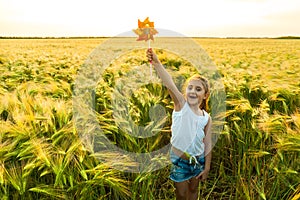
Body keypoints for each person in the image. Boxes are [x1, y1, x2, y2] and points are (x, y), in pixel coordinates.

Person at [146, 48, 212, 200]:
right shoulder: (181, 105)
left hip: (198, 159)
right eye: (190, 87)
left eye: (198, 89)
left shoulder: (206, 118)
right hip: (180, 159)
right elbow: (169, 83)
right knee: (181, 194)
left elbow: (208, 143)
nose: (193, 91)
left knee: (194, 190)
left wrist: (207, 166)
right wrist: (157, 63)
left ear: (205, 95)